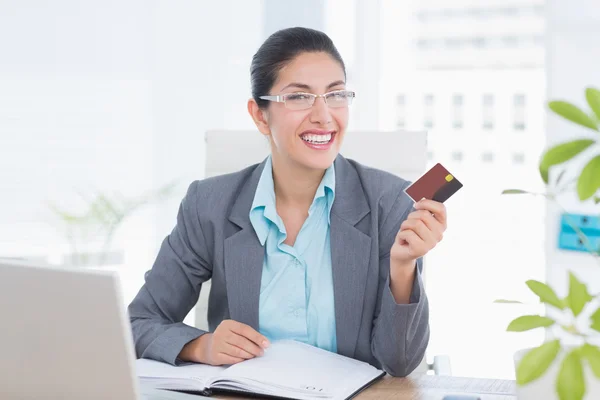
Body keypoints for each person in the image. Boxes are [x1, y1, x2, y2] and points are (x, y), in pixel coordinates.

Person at [128, 26, 447, 378]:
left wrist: (402, 269)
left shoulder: (392, 205)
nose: (324, 116)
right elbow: (138, 322)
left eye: (336, 94)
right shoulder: (209, 205)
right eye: (299, 97)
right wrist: (199, 346)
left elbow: (400, 363)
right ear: (260, 115)